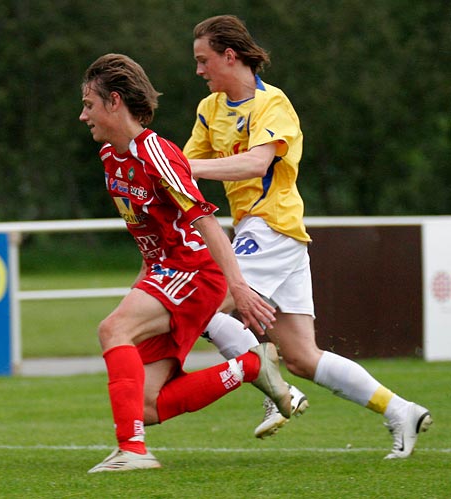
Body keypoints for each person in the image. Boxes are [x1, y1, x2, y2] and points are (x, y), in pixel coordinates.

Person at [183, 14, 432, 458]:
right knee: (302, 355)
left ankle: (271, 383)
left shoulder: (273, 104)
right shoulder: (210, 110)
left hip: (271, 228)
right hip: (263, 233)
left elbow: (255, 164)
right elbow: (180, 166)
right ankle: (401, 410)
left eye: (204, 61)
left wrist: (181, 171)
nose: (199, 71)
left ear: (229, 55)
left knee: (192, 302)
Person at [79, 53, 293, 473]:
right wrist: (139, 290)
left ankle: (132, 452)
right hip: (167, 273)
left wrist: (238, 288)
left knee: (113, 328)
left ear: (114, 101)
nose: (82, 115)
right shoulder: (111, 159)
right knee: (149, 404)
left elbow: (208, 223)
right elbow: (150, 239)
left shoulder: (156, 153)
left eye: (89, 104)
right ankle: (251, 365)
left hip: (195, 272)